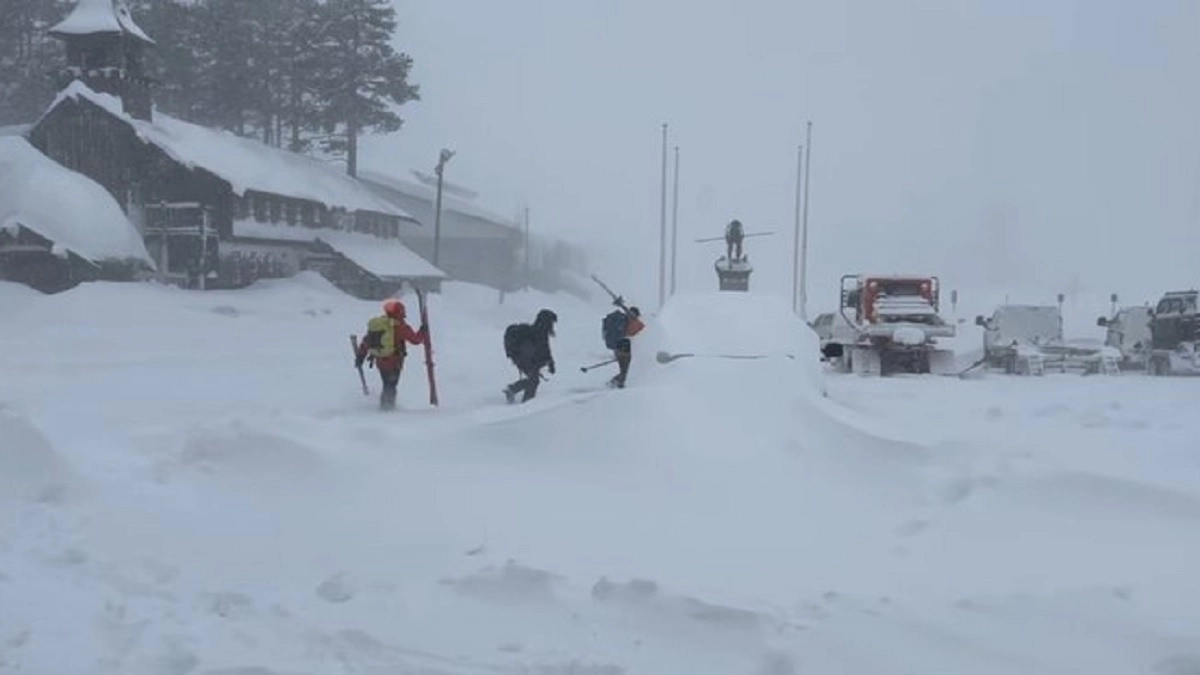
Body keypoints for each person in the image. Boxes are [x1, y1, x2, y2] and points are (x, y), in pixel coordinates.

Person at [355, 298, 427, 410]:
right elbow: (415, 340)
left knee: (387, 384)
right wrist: (423, 331)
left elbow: (366, 342)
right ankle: (387, 410)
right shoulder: (400, 326)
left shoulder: (380, 325)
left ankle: (386, 407)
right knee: (390, 386)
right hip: (394, 363)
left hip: (380, 361)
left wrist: (360, 356)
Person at [503, 309, 558, 403]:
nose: (552, 325)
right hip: (524, 359)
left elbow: (545, 349)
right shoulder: (539, 332)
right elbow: (544, 348)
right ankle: (526, 404)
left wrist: (550, 362)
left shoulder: (539, 331)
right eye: (551, 322)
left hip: (524, 358)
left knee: (533, 380)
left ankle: (513, 390)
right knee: (533, 380)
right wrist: (550, 362)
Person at [601, 304, 645, 389]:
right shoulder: (633, 322)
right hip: (624, 345)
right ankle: (617, 384)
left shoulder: (623, 320)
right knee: (626, 368)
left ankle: (616, 382)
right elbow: (641, 328)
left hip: (618, 346)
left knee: (624, 368)